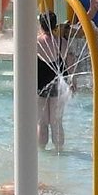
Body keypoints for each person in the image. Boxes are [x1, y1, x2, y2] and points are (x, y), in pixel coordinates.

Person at [36, 13, 68, 150]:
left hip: (39, 81)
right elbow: (69, 61)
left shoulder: (36, 42)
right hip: (56, 80)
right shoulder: (61, 42)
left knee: (42, 122)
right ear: (55, 25)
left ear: (41, 25)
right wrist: (72, 81)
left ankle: (41, 152)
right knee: (56, 121)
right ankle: (59, 150)